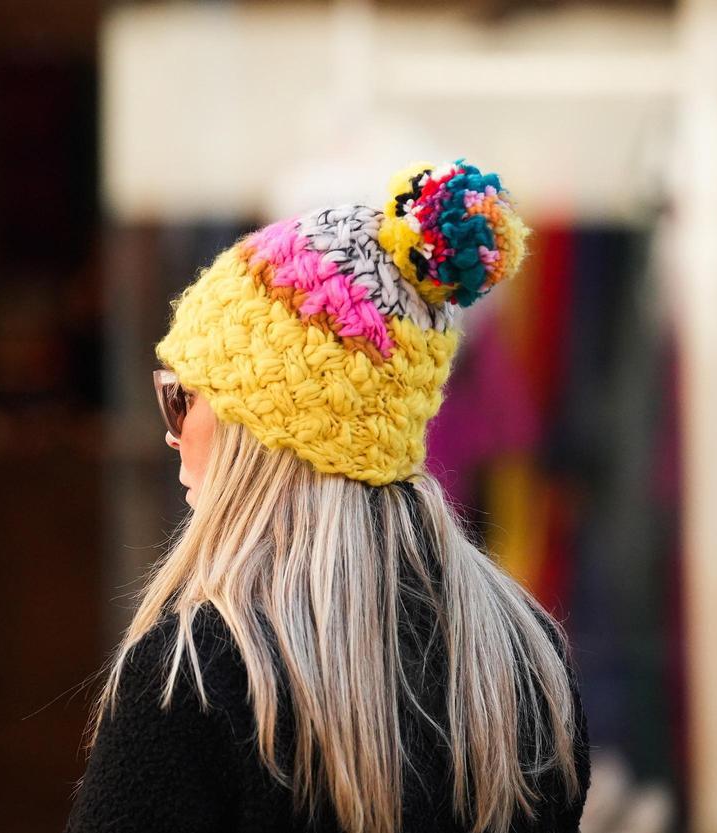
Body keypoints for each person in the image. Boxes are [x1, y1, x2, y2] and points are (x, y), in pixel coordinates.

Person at [63, 159, 591, 833]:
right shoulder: (526, 662)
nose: (172, 435)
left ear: (258, 425)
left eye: (179, 396)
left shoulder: (197, 678)